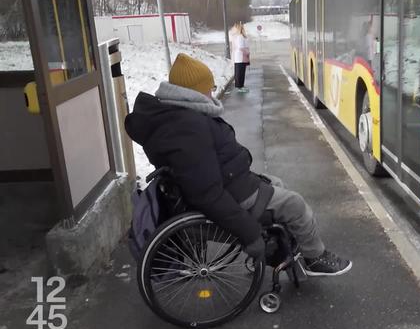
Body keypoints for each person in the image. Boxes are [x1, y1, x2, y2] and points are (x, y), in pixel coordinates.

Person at [124, 53, 352, 276]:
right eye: (208, 87)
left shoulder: (175, 117)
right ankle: (315, 258)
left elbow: (203, 178)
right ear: (194, 91)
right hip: (231, 192)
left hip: (230, 182)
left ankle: (281, 253)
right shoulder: (188, 126)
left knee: (277, 183)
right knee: (295, 205)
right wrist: (250, 233)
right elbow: (207, 194)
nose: (211, 92)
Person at [231, 22, 250, 93]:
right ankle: (240, 86)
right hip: (241, 56)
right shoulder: (240, 36)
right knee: (240, 72)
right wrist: (247, 53)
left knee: (240, 71)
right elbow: (241, 47)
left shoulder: (238, 36)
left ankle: (240, 86)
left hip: (239, 57)